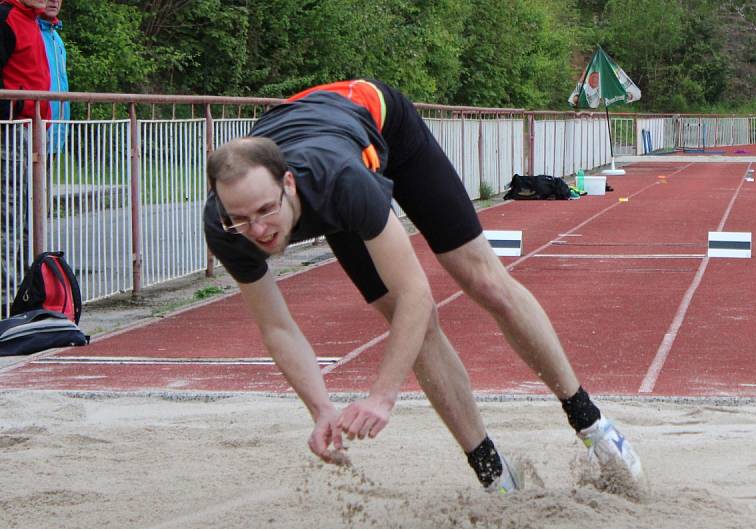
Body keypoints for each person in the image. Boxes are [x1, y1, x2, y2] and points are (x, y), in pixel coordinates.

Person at [204, 79, 643, 493]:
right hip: (319, 143)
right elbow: (278, 328)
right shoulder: (226, 226)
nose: (258, 230)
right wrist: (321, 410)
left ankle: (591, 423)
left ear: (288, 184)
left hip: (381, 123)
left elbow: (418, 292)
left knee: (482, 280)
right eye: (241, 218)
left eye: (265, 210)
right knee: (405, 319)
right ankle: (494, 473)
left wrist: (382, 396)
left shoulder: (343, 183)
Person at [1, 0, 50, 318]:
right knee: (9, 215)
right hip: (10, 129)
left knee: (24, 217)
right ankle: (5, 299)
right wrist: (15, 109)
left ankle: (19, 295)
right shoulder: (6, 18)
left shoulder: (32, 19)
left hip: (30, 130)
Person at [38, 0, 68, 153]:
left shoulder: (56, 38)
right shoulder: (29, 32)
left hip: (56, 130)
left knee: (45, 176)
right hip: (31, 128)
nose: (54, 1)